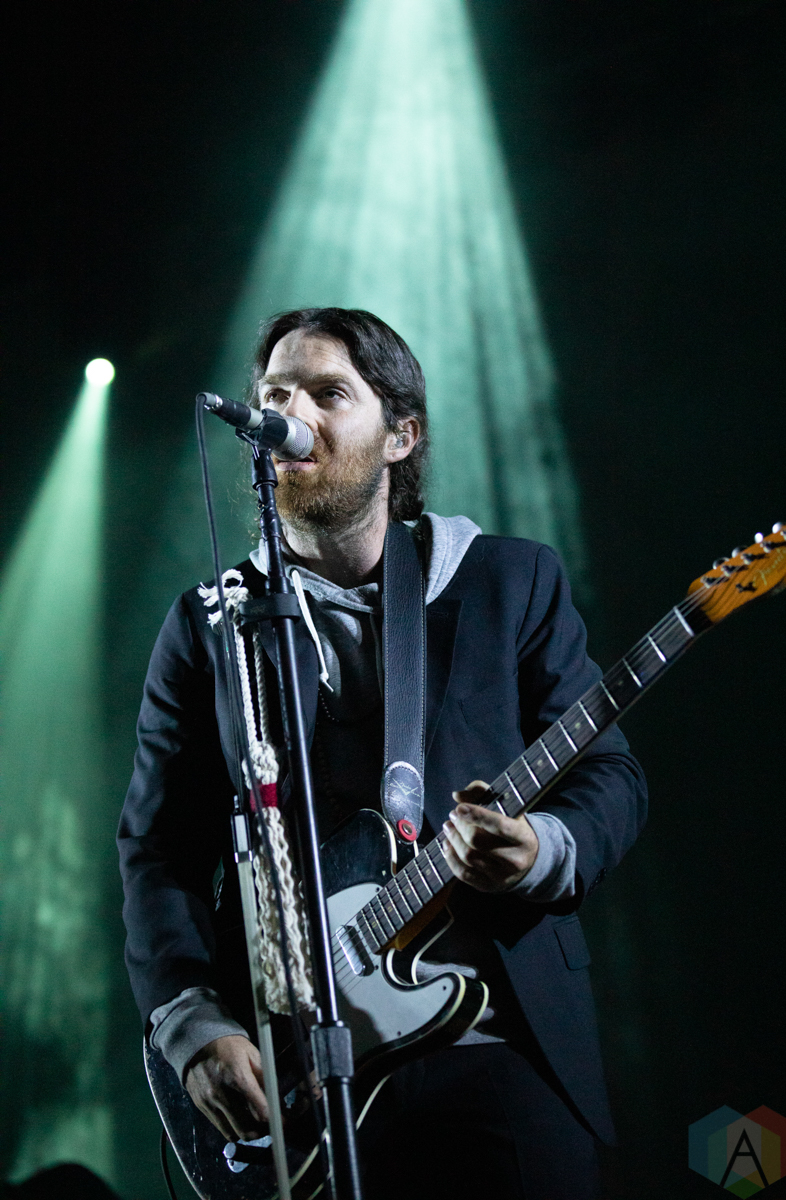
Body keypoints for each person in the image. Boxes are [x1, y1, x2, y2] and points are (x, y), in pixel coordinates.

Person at [118, 307, 647, 1200]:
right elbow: (160, 848)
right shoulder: (210, 627)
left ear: (402, 436)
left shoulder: (507, 581)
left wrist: (539, 848)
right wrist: (192, 1024)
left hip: (495, 1041)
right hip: (304, 1089)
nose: (291, 414)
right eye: (275, 394)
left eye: (329, 393)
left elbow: (610, 773)